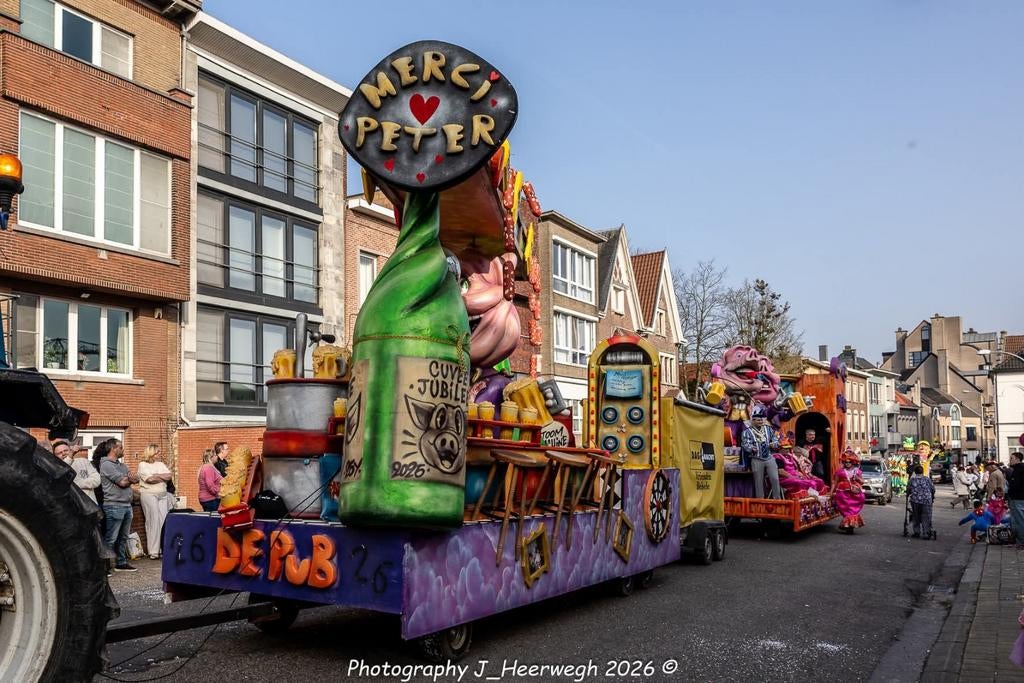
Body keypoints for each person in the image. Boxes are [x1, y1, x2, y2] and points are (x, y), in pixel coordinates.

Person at [99, 439, 139, 572]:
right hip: (114, 505)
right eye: (121, 447)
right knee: (111, 537)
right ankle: (104, 566)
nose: (123, 450)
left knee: (123, 537)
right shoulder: (106, 465)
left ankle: (121, 562)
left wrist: (129, 479)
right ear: (114, 449)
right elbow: (122, 482)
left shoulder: (122, 466)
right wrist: (129, 479)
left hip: (127, 505)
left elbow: (134, 478)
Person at [137, 444, 173, 560]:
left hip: (162, 495)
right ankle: (153, 551)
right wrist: (161, 477)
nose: (158, 454)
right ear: (151, 453)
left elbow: (169, 476)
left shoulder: (160, 464)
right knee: (153, 521)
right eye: (157, 452)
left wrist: (157, 475)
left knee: (163, 520)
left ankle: (162, 548)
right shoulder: (142, 465)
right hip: (149, 494)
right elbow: (149, 479)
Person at [740, 404, 782, 499]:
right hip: (756, 459)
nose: (760, 421)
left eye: (762, 419)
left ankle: (777, 500)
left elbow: (775, 440)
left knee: (775, 479)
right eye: (758, 420)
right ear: (753, 420)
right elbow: (745, 444)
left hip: (769, 458)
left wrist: (774, 444)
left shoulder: (768, 429)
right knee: (758, 482)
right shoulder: (747, 432)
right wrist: (751, 448)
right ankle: (760, 501)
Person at [833, 449, 865, 533]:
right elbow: (834, 482)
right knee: (846, 509)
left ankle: (849, 525)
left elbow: (862, 482)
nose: (847, 463)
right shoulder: (839, 471)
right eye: (846, 462)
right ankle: (848, 524)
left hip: (855, 493)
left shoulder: (857, 471)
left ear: (853, 462)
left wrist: (858, 478)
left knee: (854, 508)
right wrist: (830, 492)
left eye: (849, 462)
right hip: (842, 493)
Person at [907, 464, 936, 539]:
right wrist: (932, 496)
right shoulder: (927, 479)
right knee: (926, 517)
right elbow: (933, 489)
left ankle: (917, 532)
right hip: (926, 500)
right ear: (923, 472)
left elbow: (908, 490)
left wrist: (908, 494)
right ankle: (926, 533)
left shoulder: (912, 480)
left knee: (916, 516)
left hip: (915, 501)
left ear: (915, 472)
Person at [1006, 452, 1024, 544]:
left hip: (1017, 498)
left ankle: (1021, 541)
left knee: (1019, 520)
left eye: (1011, 458)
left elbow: (1015, 485)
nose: (1010, 460)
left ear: (1017, 459)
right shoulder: (1018, 469)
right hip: (1020, 498)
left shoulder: (1018, 470)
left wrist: (1008, 492)